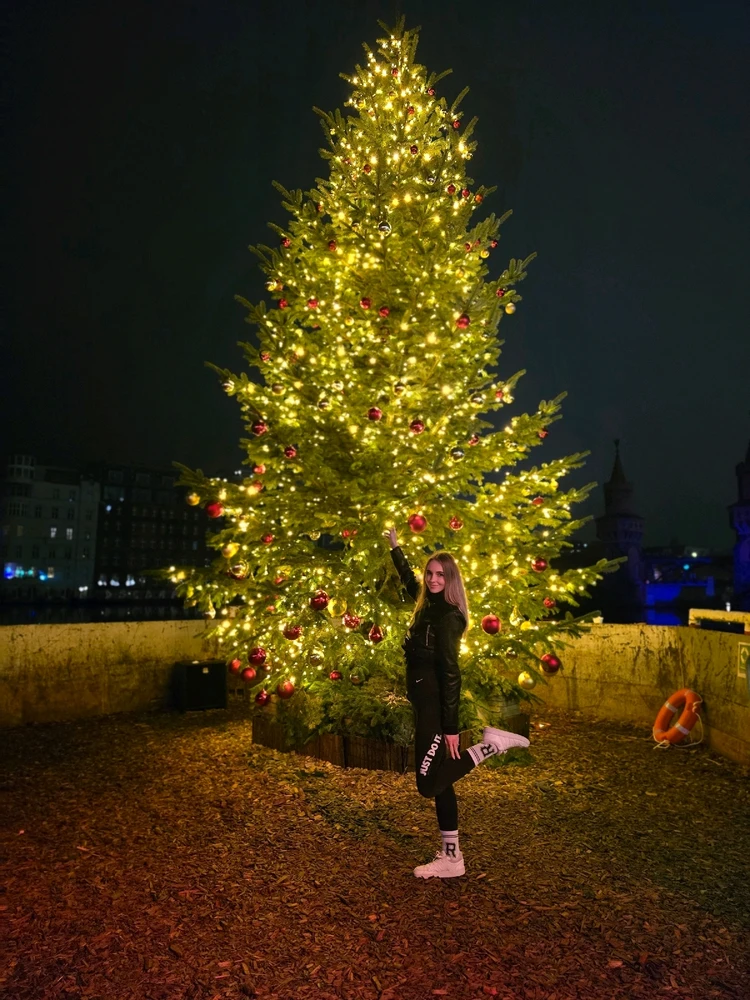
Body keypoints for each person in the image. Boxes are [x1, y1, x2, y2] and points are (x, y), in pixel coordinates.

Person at [385, 526, 530, 879]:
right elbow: (410, 582)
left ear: (451, 580)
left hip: (434, 707)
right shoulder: (426, 605)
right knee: (441, 782)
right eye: (430, 574)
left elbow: (451, 673)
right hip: (423, 702)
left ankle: (489, 747)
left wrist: (450, 728)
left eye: (441, 575)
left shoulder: (449, 617)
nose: (433, 580)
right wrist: (396, 549)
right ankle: (452, 858)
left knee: (427, 784)